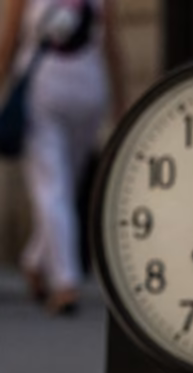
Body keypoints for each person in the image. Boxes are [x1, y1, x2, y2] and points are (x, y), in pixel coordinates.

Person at [0, 0, 123, 315]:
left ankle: (65, 281)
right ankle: (35, 261)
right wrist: (119, 101)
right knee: (63, 187)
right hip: (89, 89)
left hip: (44, 87)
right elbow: (112, 43)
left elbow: (11, 40)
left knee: (52, 187)